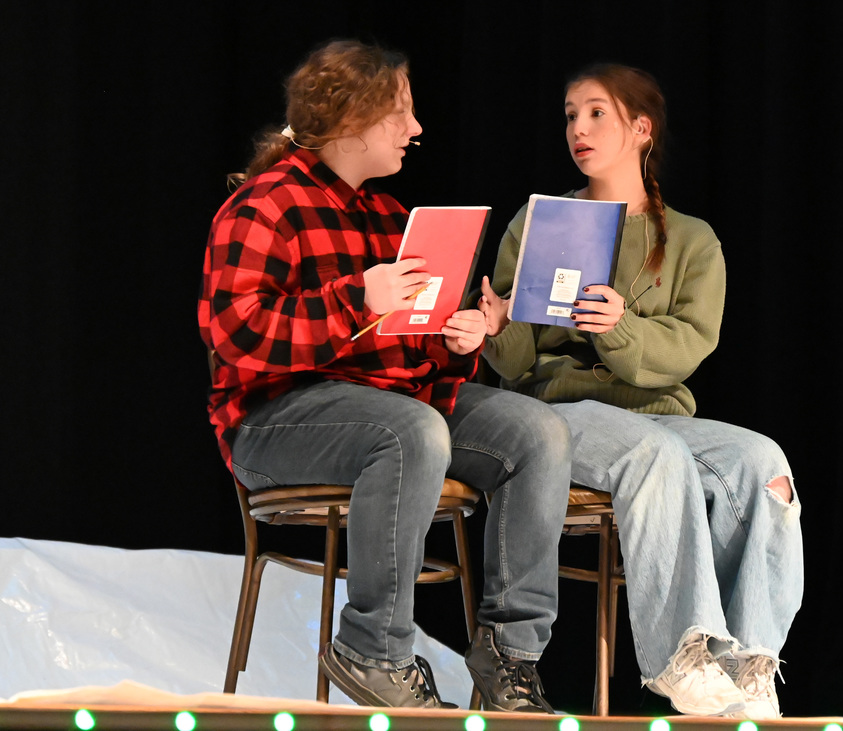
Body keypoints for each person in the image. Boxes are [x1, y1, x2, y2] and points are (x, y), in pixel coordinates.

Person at [198, 39, 570, 712]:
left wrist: (457, 337)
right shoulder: (265, 206)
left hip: (394, 405)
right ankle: (373, 650)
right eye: (401, 112)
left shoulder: (391, 218)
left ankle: (510, 657)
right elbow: (236, 334)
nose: (415, 128)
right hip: (276, 420)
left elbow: (413, 350)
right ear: (352, 119)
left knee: (536, 431)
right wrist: (355, 298)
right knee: (410, 432)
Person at [478, 63, 803, 719]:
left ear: (642, 128)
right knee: (655, 453)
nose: (579, 128)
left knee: (764, 463)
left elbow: (688, 345)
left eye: (597, 112)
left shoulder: (691, 239)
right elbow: (516, 362)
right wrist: (498, 327)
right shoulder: (543, 221)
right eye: (571, 114)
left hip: (656, 415)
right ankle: (685, 654)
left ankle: (748, 667)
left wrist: (619, 327)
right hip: (559, 415)